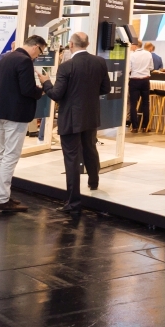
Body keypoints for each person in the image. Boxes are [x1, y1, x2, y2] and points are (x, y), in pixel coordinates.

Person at [47, 32, 110, 213]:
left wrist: (46, 83)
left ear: (71, 45)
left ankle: (73, 202)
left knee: (72, 157)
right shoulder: (99, 62)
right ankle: (93, 182)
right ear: (87, 44)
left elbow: (56, 94)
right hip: (91, 114)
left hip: (71, 117)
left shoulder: (66, 66)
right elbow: (106, 88)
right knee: (90, 147)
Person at [0, 36, 51, 214]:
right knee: (10, 157)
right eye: (40, 52)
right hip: (16, 115)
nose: (38, 56)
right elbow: (27, 89)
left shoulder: (6, 57)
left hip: (2, 111)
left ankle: (2, 196)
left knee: (3, 155)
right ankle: (2, 201)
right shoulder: (24, 61)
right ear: (36, 47)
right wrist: (43, 89)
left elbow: (2, 84)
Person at [127, 41, 154, 132]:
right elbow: (151, 67)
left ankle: (134, 127)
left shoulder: (132, 55)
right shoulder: (148, 54)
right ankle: (145, 126)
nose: (131, 46)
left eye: (131, 45)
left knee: (133, 104)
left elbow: (129, 69)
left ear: (135, 45)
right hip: (145, 80)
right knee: (145, 103)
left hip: (134, 81)